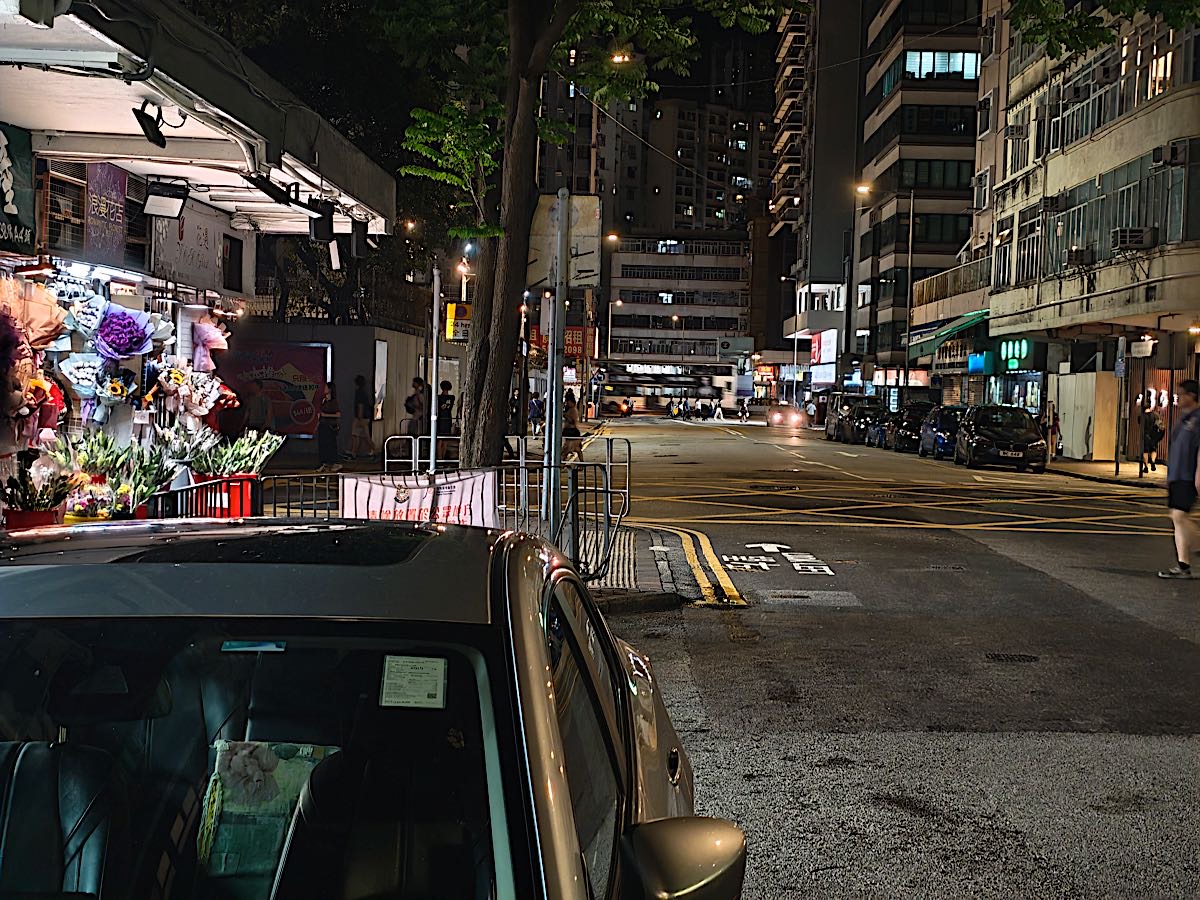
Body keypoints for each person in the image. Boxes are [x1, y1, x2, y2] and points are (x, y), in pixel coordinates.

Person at [1158, 379, 1200, 578]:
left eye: (1181, 394)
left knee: (1179, 516)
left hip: (1188, 476)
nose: (1178, 398)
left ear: (1192, 396)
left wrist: (1198, 475)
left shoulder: (1197, 419)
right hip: (1177, 476)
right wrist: (1169, 476)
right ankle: (1183, 566)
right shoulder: (1184, 419)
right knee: (1178, 518)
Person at [317, 383, 342, 472]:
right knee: (323, 445)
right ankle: (325, 464)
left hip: (329, 426)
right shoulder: (324, 400)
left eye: (326, 387)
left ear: (330, 389)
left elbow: (338, 414)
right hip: (322, 425)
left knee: (330, 445)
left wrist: (325, 415)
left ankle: (334, 463)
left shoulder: (333, 402)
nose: (324, 388)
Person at [350, 374, 375, 459]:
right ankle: (354, 453)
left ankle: (354, 453)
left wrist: (359, 418)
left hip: (360, 418)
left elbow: (360, 406)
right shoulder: (364, 392)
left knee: (356, 435)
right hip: (365, 417)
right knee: (363, 437)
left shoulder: (359, 392)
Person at [1141, 407, 1164, 474]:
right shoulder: (1156, 415)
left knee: (1145, 451)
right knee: (1153, 450)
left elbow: (1140, 423)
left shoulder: (1142, 416)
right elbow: (1160, 425)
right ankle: (1153, 461)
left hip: (1146, 435)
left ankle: (1146, 467)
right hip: (1154, 436)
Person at [563, 397, 583, 461]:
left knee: (568, 448)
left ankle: (561, 462)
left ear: (573, 403)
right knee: (576, 449)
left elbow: (572, 421)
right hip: (570, 430)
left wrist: (566, 416)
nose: (567, 404)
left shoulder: (573, 410)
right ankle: (582, 462)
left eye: (568, 403)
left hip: (571, 431)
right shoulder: (571, 409)